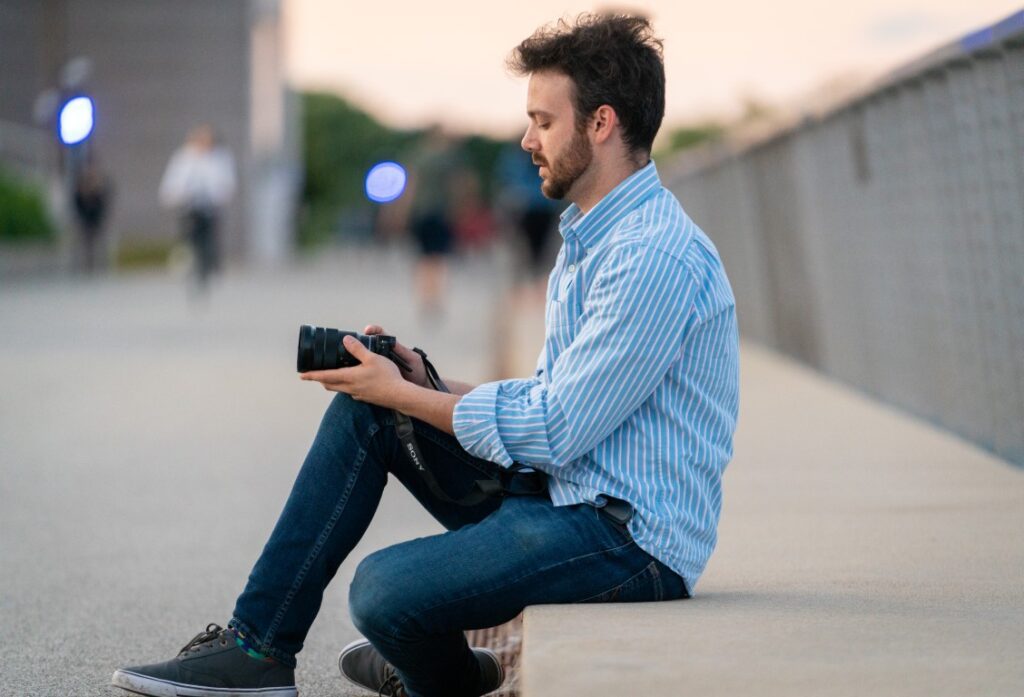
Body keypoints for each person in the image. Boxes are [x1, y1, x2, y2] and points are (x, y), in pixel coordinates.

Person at [111, 13, 739, 697]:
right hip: (568, 494)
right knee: (368, 412)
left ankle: (442, 674)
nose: (528, 140)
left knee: (384, 590)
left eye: (543, 121)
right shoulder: (597, 236)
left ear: (601, 124)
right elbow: (553, 398)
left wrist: (407, 394)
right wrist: (421, 379)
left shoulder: (651, 255)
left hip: (626, 541)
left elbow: (557, 429)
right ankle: (256, 649)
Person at [158, 124, 236, 293]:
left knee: (209, 241)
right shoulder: (184, 158)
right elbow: (173, 183)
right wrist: (175, 195)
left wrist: (220, 195)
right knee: (188, 239)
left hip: (211, 207)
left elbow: (226, 184)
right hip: (189, 207)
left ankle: (209, 271)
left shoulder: (219, 158)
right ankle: (189, 269)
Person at [72, 155, 112, 274]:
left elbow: (105, 198)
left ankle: (101, 266)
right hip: (85, 218)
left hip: (97, 217)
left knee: (99, 243)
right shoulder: (81, 182)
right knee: (86, 243)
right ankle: (87, 266)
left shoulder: (101, 181)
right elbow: (77, 200)